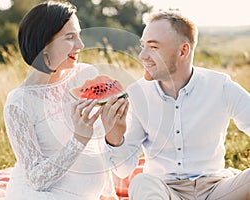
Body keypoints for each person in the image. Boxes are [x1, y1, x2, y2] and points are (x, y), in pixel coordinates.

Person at [103, 11, 250, 199]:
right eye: (143, 46)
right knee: (141, 182)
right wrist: (114, 138)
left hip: (216, 190)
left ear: (183, 51)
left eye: (153, 47)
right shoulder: (138, 94)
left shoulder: (220, 86)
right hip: (165, 191)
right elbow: (123, 171)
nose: (142, 56)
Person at [3, 1, 124, 199]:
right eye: (70, 38)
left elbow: (99, 147)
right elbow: (36, 179)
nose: (81, 45)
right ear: (44, 44)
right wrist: (79, 139)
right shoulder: (19, 103)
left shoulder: (86, 74)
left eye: (79, 35)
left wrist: (109, 195)